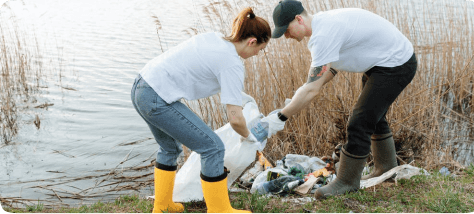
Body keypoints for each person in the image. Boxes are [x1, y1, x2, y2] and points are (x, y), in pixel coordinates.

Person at [262, 0, 417, 199]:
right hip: (381, 63)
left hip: (396, 64)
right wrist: (298, 97)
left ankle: (347, 182)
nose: (286, 35)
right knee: (372, 116)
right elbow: (326, 72)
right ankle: (386, 168)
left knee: (359, 121)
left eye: (286, 29)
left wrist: (281, 117)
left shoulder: (323, 35)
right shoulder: (324, 24)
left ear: (299, 19)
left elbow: (312, 89)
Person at [131, 8, 271, 214]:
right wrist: (250, 138)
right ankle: (220, 210)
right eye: (261, 48)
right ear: (251, 41)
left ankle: (162, 206)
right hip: (156, 96)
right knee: (213, 148)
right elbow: (235, 119)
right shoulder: (232, 63)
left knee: (170, 149)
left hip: (141, 87)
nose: (258, 54)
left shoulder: (215, 39)